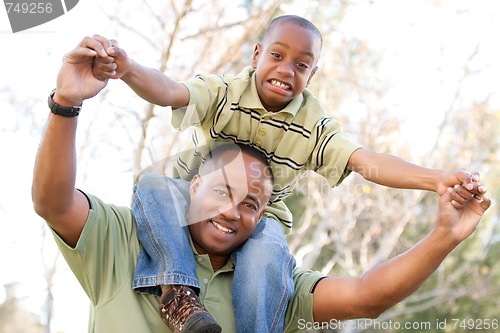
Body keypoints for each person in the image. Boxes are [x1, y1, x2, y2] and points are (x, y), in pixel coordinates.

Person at [30, 37, 491, 331]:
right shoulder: (125, 241)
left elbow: (366, 292)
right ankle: (178, 291)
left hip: (268, 237)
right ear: (256, 56)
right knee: (153, 184)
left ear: (313, 74)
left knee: (270, 242)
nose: (286, 71)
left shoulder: (267, 278)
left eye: (302, 64)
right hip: (169, 213)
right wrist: (92, 88)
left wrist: (439, 198)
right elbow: (169, 91)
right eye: (222, 193)